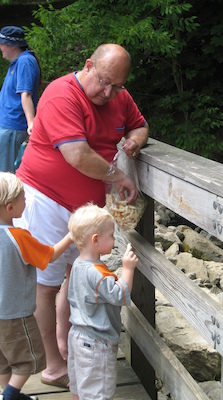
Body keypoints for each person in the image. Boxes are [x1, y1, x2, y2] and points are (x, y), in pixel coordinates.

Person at [14, 43, 149, 388]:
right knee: (45, 284)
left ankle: (66, 345)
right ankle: (54, 365)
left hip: (86, 210)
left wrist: (133, 141)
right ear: (88, 66)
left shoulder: (119, 95)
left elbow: (140, 125)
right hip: (45, 200)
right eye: (104, 82)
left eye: (117, 85)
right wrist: (118, 176)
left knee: (77, 279)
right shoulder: (62, 94)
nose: (109, 92)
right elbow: (77, 155)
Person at [0, 172, 73, 400]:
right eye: (23, 198)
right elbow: (50, 256)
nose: (27, 201)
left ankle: (6, 393)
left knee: (2, 362)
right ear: (10, 207)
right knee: (27, 361)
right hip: (15, 316)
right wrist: (71, 236)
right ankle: (11, 396)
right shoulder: (19, 236)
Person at [67, 203, 138, 400]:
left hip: (76, 335)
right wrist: (128, 269)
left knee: (80, 387)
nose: (115, 240)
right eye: (112, 235)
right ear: (96, 240)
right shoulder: (97, 273)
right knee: (98, 392)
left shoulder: (77, 265)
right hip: (96, 342)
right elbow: (118, 295)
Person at [0, 26, 41, 172]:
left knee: (4, 176)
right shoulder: (18, 62)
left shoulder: (25, 62)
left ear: (11, 46)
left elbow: (26, 94)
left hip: (12, 127)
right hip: (7, 126)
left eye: (1, 43)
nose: (0, 47)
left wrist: (31, 123)